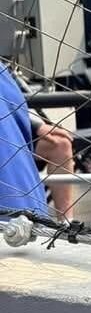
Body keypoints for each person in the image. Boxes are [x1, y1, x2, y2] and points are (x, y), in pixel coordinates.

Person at [0, 62, 48, 217]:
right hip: (33, 219)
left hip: (12, 219)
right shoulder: (3, 73)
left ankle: (68, 219)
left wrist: (39, 126)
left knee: (60, 144)